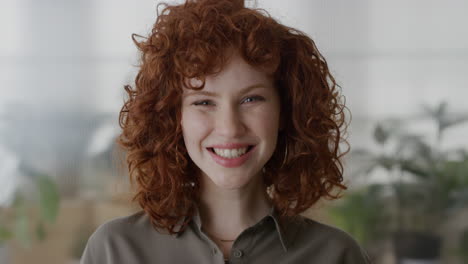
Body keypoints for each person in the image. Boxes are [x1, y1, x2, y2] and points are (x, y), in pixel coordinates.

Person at [80, 0, 371, 263]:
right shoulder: (115, 251)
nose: (229, 127)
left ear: (286, 110)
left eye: (251, 99)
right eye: (204, 101)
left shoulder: (336, 255)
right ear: (174, 116)